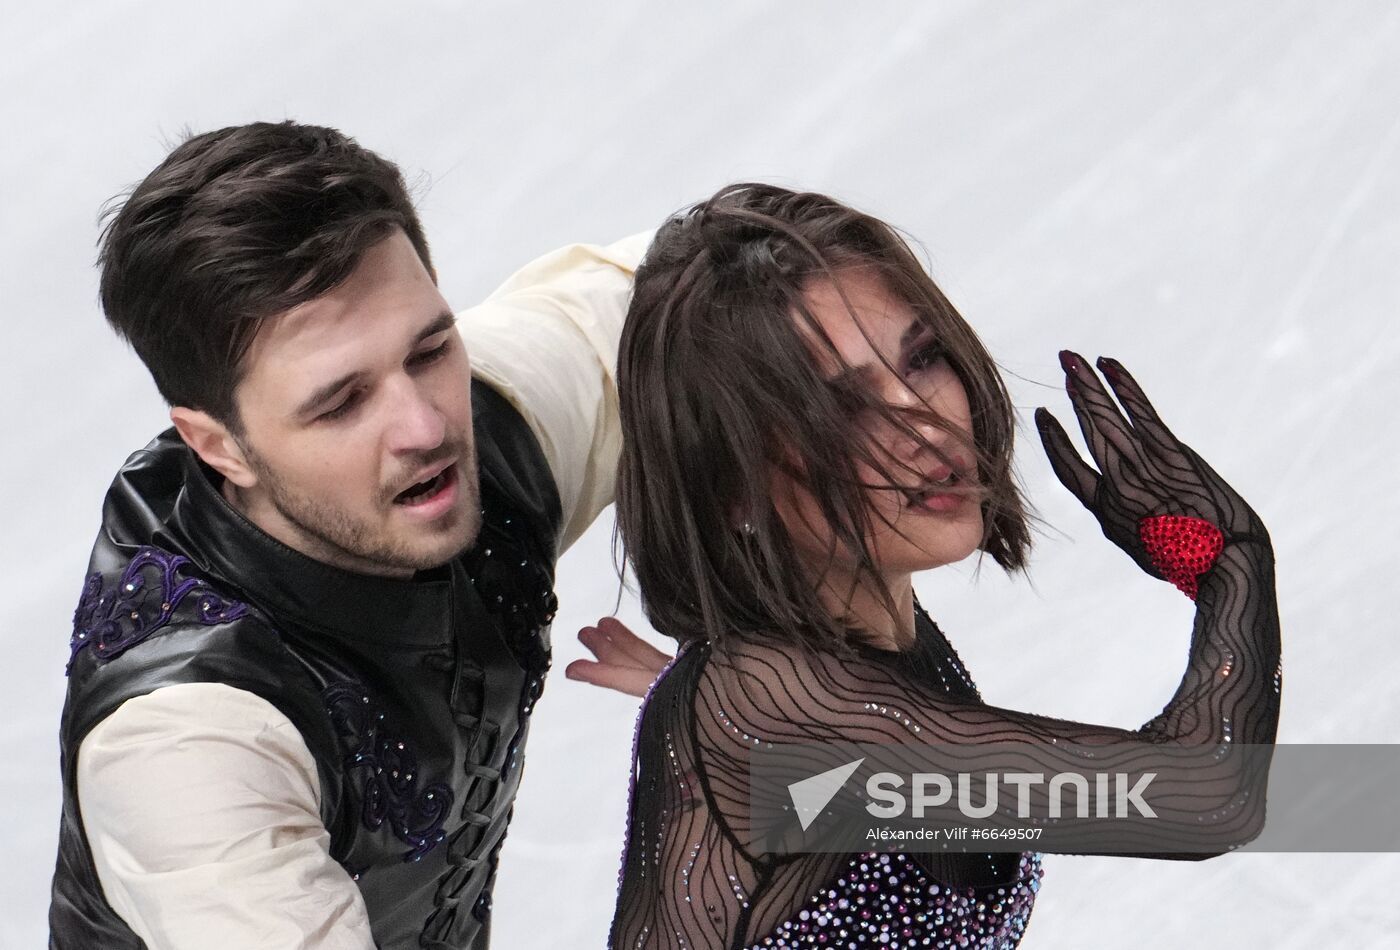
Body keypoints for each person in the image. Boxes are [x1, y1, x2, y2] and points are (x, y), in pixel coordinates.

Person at [590, 183, 1282, 949]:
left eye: (921, 360)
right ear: (732, 489)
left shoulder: (877, 664)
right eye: (845, 408)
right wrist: (1229, 564)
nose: (923, 428)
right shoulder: (767, 706)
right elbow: (1202, 796)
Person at [50, 120, 652, 949]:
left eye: (431, 347)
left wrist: (817, 752)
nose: (426, 425)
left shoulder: (497, 421)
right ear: (217, 444)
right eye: (340, 404)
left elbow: (773, 295)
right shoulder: (191, 754)